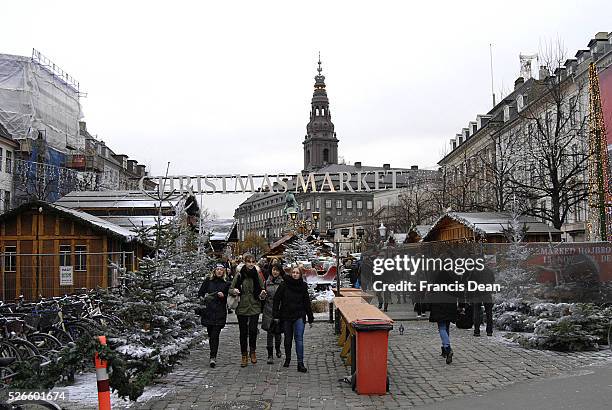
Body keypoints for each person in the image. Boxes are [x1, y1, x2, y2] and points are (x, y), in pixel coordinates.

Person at [273, 265, 314, 373]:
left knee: (299, 339)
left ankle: (300, 363)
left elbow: (306, 302)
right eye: (293, 272)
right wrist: (276, 315)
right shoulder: (284, 284)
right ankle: (288, 358)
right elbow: (276, 299)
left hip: (299, 315)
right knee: (287, 339)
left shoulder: (303, 286)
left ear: (300, 275)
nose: (295, 274)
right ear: (291, 273)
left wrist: (310, 317)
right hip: (286, 315)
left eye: (297, 273)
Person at [230, 253, 266, 367]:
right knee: (243, 332)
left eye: (252, 262)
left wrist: (262, 293)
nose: (250, 264)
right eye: (248, 261)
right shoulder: (239, 275)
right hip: (242, 306)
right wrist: (234, 291)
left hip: (254, 305)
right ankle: (244, 355)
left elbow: (262, 289)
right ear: (245, 262)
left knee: (253, 330)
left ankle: (253, 351)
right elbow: (230, 289)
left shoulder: (257, 275)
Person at [198, 263, 231, 368]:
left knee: (215, 335)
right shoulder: (208, 281)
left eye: (221, 270)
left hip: (219, 312)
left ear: (224, 272)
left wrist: (224, 296)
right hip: (208, 311)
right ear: (214, 271)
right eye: (217, 269)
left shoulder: (226, 283)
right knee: (210, 334)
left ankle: (213, 356)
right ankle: (212, 353)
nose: (219, 271)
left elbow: (230, 297)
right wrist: (205, 298)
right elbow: (200, 293)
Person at [428, 270, 458, 364]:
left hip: (439, 306)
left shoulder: (436, 279)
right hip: (450, 306)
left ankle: (447, 348)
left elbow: (430, 295)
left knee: (442, 327)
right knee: (446, 326)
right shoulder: (453, 279)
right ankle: (444, 348)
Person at [261, 264, 284, 364]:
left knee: (278, 333)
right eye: (274, 270)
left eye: (277, 270)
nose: (275, 272)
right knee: (269, 333)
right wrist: (262, 296)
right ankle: (270, 355)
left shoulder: (283, 282)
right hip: (268, 310)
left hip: (279, 310)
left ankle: (278, 349)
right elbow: (262, 297)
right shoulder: (266, 282)